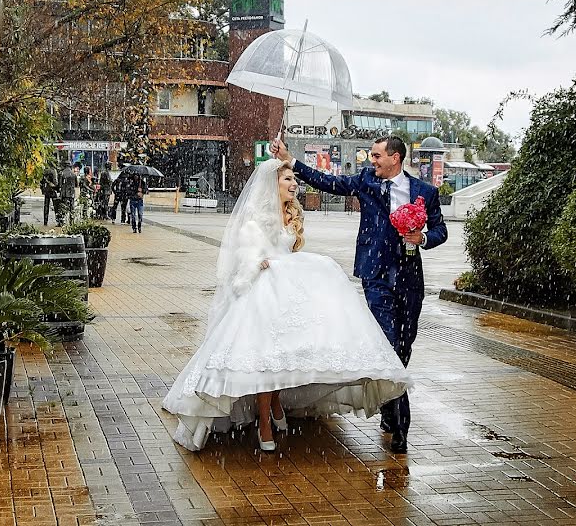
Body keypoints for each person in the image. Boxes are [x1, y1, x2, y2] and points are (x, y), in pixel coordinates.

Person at [162, 159, 412, 452]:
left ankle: (277, 403)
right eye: (288, 181)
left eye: (295, 180)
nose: (294, 185)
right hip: (265, 290)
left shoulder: (291, 214)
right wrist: (258, 263)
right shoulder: (256, 221)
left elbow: (291, 250)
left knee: (286, 352)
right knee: (266, 356)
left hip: (289, 287)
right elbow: (244, 264)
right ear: (273, 185)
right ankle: (264, 421)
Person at [270, 135, 447, 453]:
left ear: (395, 158)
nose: (372, 161)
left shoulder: (426, 192)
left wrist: (422, 237)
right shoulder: (366, 181)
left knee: (404, 347)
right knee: (389, 346)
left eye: (377, 156)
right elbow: (328, 182)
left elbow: (440, 230)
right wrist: (291, 160)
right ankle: (401, 427)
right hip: (375, 276)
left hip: (409, 278)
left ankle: (390, 405)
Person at [57, 161, 77, 226]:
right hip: (72, 193)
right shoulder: (73, 174)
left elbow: (59, 185)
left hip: (64, 193)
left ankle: (62, 222)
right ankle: (71, 222)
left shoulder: (62, 173)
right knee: (72, 208)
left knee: (63, 207)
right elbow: (76, 184)